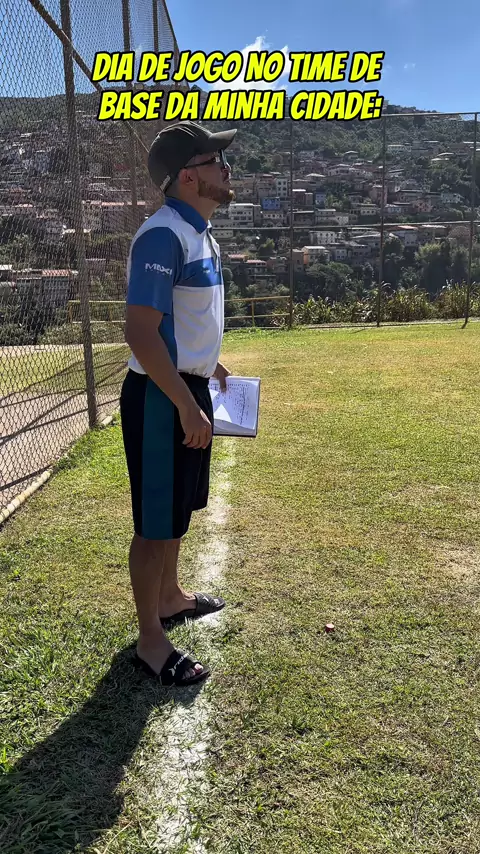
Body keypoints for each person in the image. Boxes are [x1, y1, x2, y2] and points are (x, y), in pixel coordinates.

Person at [120, 120, 237, 686]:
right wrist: (186, 405)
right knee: (154, 522)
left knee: (176, 511)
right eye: (217, 161)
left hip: (184, 386)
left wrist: (207, 364)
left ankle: (170, 597)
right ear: (188, 176)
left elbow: (183, 320)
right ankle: (150, 640)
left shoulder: (199, 233)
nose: (227, 169)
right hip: (160, 396)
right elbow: (141, 333)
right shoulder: (162, 235)